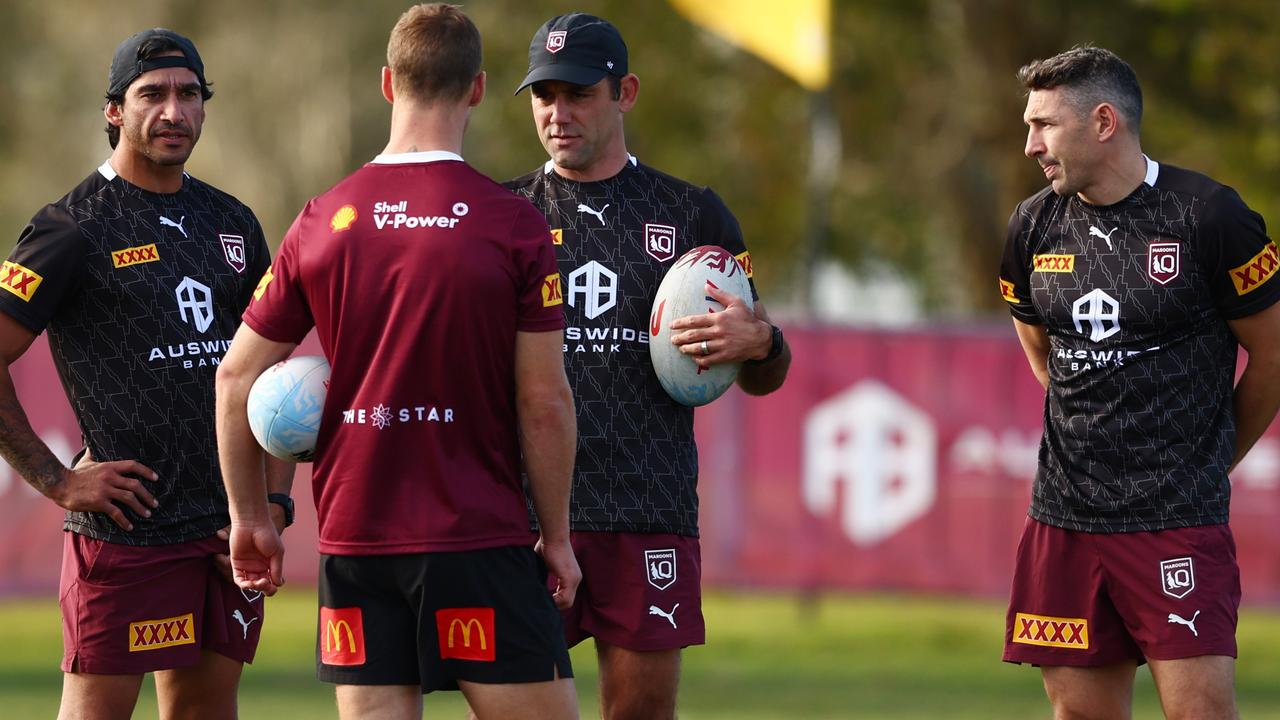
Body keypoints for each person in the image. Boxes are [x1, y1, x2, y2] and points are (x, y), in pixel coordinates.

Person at [214, 5, 581, 719]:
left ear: (387, 84)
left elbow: (234, 377)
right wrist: (558, 539)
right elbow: (544, 402)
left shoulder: (322, 219)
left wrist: (249, 518)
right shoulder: (513, 224)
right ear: (476, 89)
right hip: (478, 536)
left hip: (358, 546)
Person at [503, 13, 790, 720]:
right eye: (545, 97)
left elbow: (762, 371)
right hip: (524, 514)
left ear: (624, 92)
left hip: (647, 508)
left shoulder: (694, 214)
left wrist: (759, 343)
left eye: (579, 95)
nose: (558, 114)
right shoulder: (502, 214)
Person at [0, 28, 292, 720]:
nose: (174, 111)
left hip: (226, 535)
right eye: (152, 94)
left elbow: (273, 379)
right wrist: (57, 479)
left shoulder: (233, 222)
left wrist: (268, 510)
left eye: (189, 94)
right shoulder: (71, 227)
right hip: (127, 534)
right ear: (114, 112)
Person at [1000, 46, 1280, 719]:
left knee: (1201, 713)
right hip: (1065, 521)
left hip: (1176, 522)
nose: (1033, 144)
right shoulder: (1032, 225)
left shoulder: (1211, 218)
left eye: (1046, 125)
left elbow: (1274, 357)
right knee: (1081, 714)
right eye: (1028, 126)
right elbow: (1042, 350)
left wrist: (1210, 458)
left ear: (1104, 122)